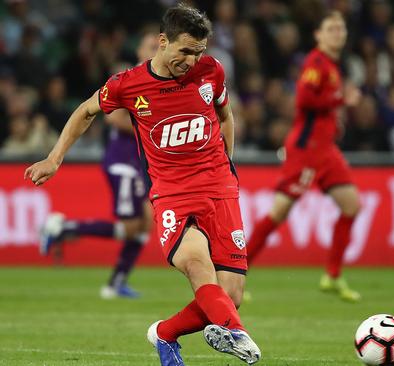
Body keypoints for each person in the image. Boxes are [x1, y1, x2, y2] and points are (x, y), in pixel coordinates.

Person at [24, 5, 260, 365]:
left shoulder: (211, 72)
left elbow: (225, 116)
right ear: (162, 43)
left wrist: (228, 164)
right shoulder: (129, 84)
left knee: (231, 293)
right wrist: (54, 158)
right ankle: (236, 332)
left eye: (198, 52)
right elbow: (85, 111)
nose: (191, 60)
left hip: (220, 189)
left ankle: (165, 334)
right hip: (173, 194)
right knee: (198, 266)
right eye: (184, 50)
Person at [245, 10, 363, 302]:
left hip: (326, 150)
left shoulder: (334, 66)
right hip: (306, 150)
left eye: (341, 28)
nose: (338, 33)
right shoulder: (316, 62)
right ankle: (232, 273)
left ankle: (332, 276)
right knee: (279, 212)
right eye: (332, 28)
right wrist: (340, 100)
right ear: (318, 35)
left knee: (351, 205)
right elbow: (305, 99)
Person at [39, 31, 159, 300]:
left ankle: (117, 282)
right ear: (139, 50)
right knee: (131, 226)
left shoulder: (159, 81)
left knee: (146, 222)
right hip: (122, 160)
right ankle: (62, 229)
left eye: (158, 46)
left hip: (139, 162)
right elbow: (114, 119)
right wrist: (154, 128)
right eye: (150, 45)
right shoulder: (129, 78)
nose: (155, 51)